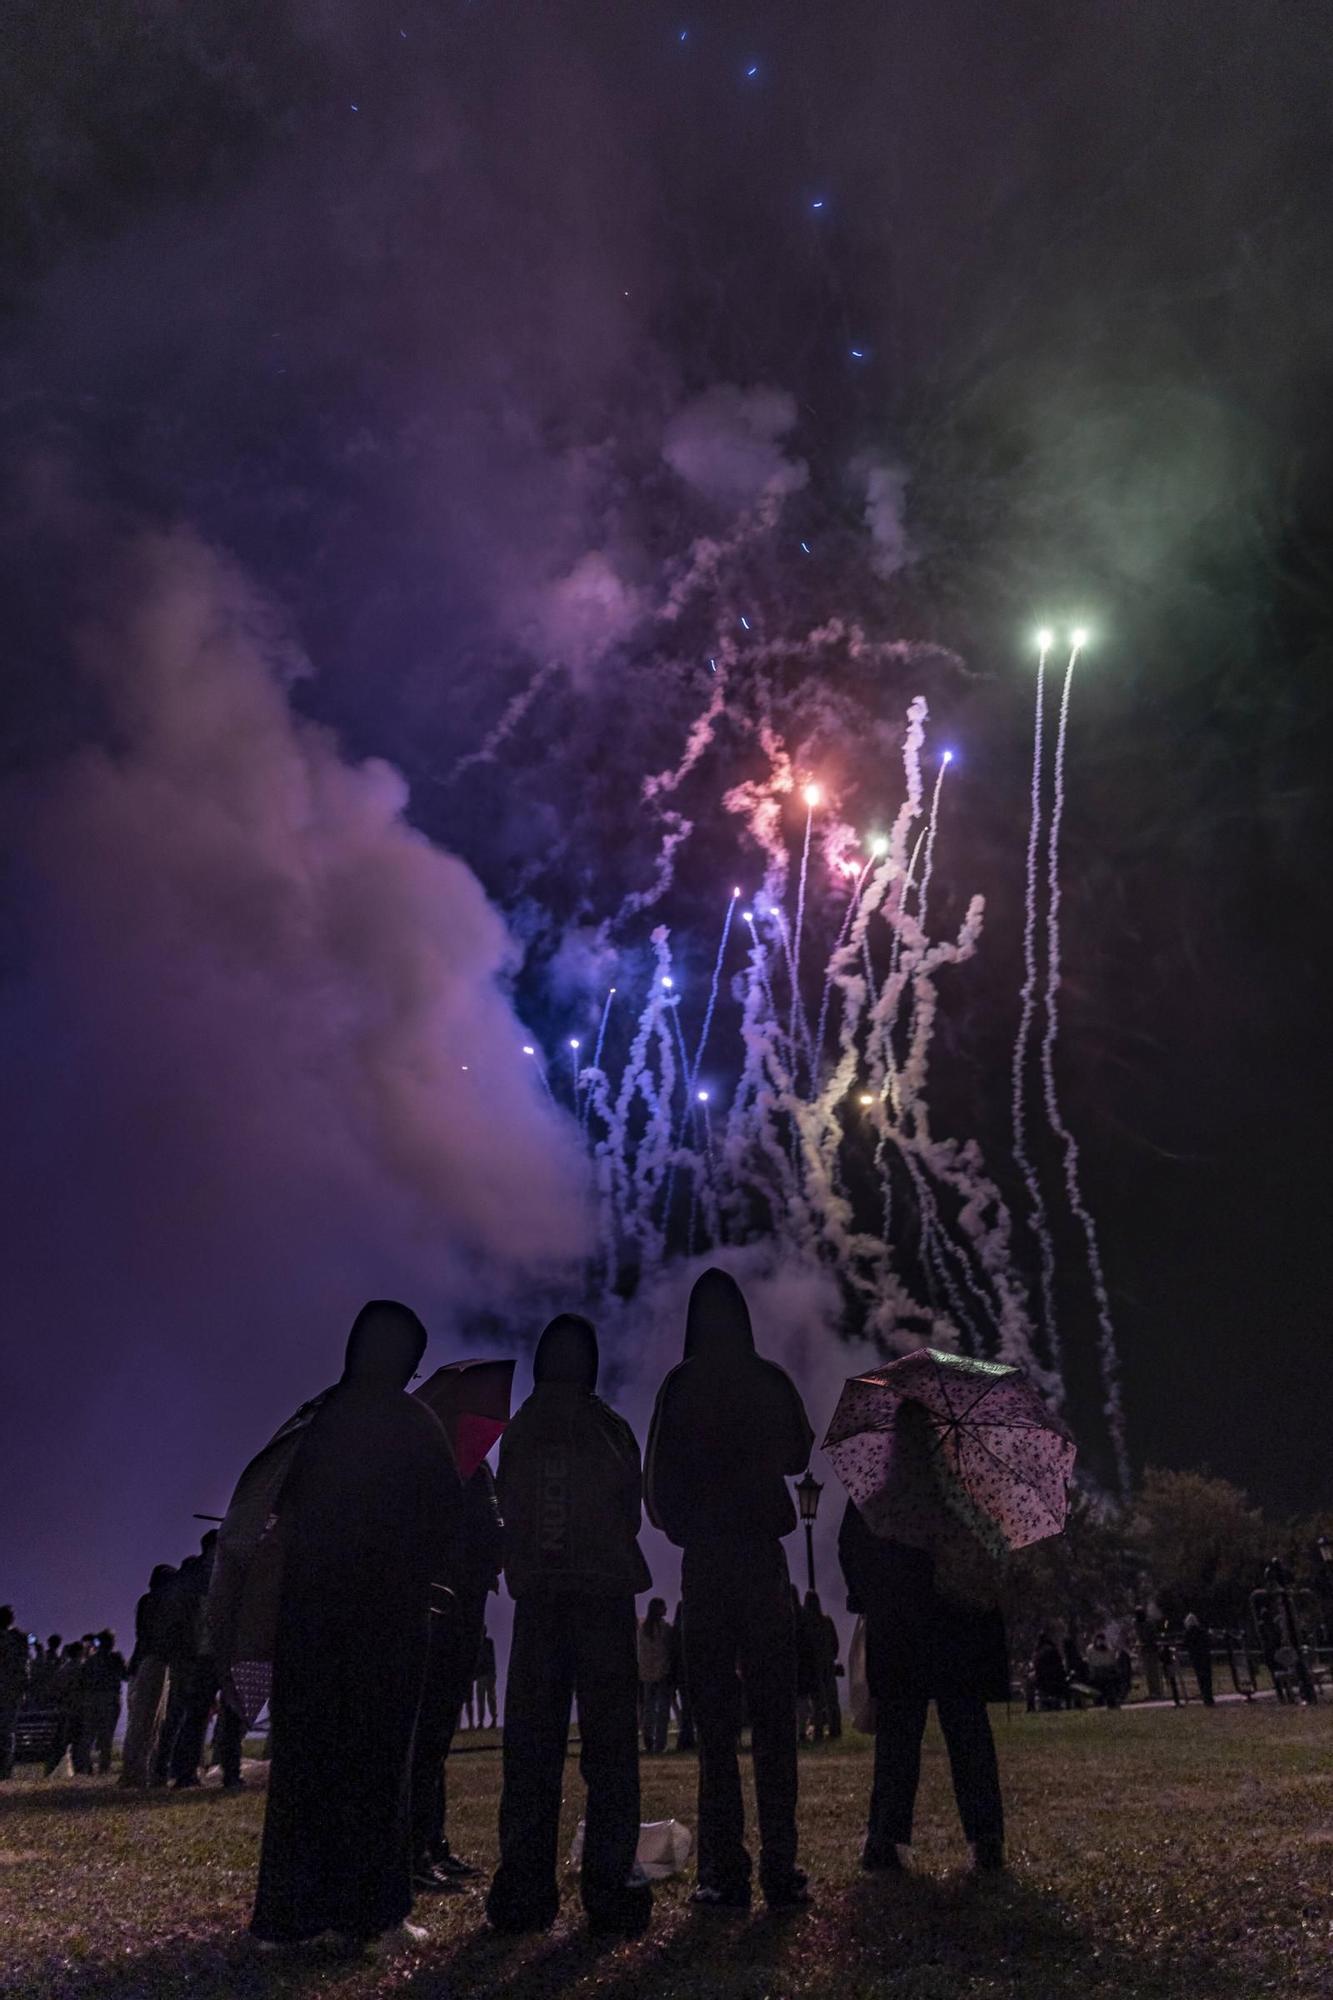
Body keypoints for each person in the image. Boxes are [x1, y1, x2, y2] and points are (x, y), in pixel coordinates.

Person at [251, 1300, 461, 1952]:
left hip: (309, 1616)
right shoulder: (414, 1423)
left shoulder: (320, 1417)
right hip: (385, 1618)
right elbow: (442, 1519)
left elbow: (282, 1510)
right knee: (375, 1766)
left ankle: (289, 1916)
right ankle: (371, 1914)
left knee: (305, 1765)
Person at [645, 1266, 815, 1912]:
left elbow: (657, 1489)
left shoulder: (679, 1385)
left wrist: (688, 1521)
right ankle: (781, 1867)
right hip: (761, 1561)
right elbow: (799, 1452)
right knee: (774, 1720)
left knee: (714, 1726)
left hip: (708, 1564)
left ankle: (723, 1872)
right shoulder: (768, 1379)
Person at [487, 1313, 652, 1938]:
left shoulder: (524, 1427)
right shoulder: (608, 1425)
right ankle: (611, 1890)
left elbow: (510, 1506)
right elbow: (628, 1510)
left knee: (530, 1750)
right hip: (603, 1600)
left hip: (540, 1604)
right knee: (610, 1751)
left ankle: (523, 1892)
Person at [839, 1471, 1007, 1873]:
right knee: (967, 1730)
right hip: (957, 1621)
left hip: (899, 1624)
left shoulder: (877, 1490)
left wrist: (869, 1596)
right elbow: (990, 1547)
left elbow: (851, 1547)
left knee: (898, 1734)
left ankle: (885, 1839)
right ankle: (986, 1839)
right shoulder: (964, 1487)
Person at [410, 1401, 504, 1891]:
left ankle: (433, 1843)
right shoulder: (447, 1464)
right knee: (428, 1732)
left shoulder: (473, 1466)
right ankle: (416, 1850)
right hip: (448, 1605)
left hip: (464, 1603)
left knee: (437, 1734)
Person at [119, 1565, 178, 1788]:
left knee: (140, 1720)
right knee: (148, 1721)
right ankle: (138, 1772)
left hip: (142, 1662)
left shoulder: (146, 1602)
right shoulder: (159, 1604)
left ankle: (134, 1769)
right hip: (155, 1662)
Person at [81, 1631, 128, 1774]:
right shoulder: (115, 1658)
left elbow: (84, 1679)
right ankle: (103, 1767)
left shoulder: (91, 1660)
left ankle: (86, 1767)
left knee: (89, 1735)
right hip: (110, 1698)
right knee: (106, 1736)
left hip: (92, 1698)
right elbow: (125, 1675)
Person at [44, 1642, 91, 1775]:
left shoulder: (63, 1669)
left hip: (66, 1709)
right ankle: (82, 1769)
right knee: (80, 1742)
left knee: (61, 1742)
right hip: (80, 1709)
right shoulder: (83, 1669)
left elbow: (54, 1689)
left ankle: (51, 1769)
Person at [638, 1598, 674, 1754]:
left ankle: (648, 1739)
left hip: (646, 1674)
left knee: (649, 1709)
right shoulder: (664, 1629)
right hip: (662, 1673)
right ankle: (660, 1742)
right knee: (663, 1710)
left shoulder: (642, 1630)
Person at [0, 1608, 28, 1780]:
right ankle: (5, 1770)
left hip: (8, 1689)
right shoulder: (19, 1639)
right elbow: (24, 1667)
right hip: (11, 1691)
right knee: (7, 1732)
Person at [669, 1603, 695, 1751]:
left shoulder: (674, 1632)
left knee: (686, 1707)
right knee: (689, 1708)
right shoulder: (689, 1632)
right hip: (689, 1672)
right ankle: (687, 1738)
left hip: (680, 1674)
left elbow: (673, 1655)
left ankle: (686, 1737)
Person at [1030, 1631, 1069, 1710]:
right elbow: (1060, 1664)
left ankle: (1031, 1706)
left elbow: (1036, 1666)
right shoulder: (1054, 1650)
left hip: (1043, 1679)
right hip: (1057, 1678)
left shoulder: (1038, 1652)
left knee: (1029, 1680)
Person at [1182, 1614, 1215, 1706]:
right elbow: (1209, 1641)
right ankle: (1209, 1697)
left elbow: (1185, 1644)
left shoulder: (1187, 1633)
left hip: (1195, 1657)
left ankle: (1205, 1697)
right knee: (1207, 1678)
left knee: (1200, 1678)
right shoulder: (1202, 1631)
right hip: (1205, 1656)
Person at [1085, 1631, 1122, 1709]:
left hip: (1107, 1670)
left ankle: (1111, 1701)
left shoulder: (1109, 1649)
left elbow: (1112, 1661)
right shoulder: (1090, 1649)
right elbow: (1090, 1662)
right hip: (1096, 1671)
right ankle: (1099, 1701)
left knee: (1109, 1685)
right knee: (1098, 1686)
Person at [1133, 1606, 1163, 1701]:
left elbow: (1152, 1636)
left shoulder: (1149, 1623)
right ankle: (1152, 1692)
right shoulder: (1136, 1623)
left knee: (1154, 1672)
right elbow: (1138, 1634)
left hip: (1151, 1649)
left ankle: (1157, 1692)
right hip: (1144, 1650)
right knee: (1148, 1673)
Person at [473, 1629, 498, 1729]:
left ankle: (490, 1719)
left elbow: (487, 1659)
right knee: (483, 1698)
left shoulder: (486, 1643)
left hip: (486, 1674)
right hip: (483, 1674)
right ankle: (483, 1721)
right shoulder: (485, 1643)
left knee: (487, 1698)